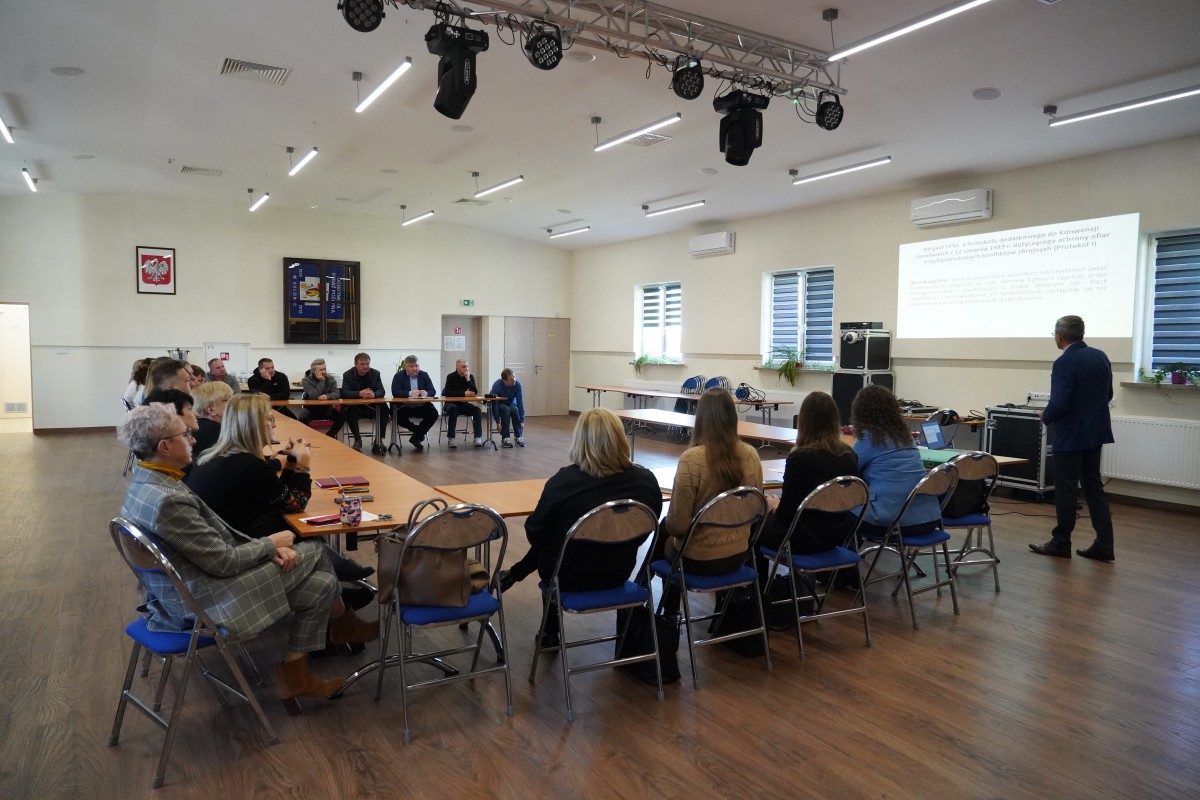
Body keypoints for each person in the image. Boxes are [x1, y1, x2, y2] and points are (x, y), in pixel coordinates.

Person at [117, 403, 376, 709]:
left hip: (183, 588)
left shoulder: (147, 484)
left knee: (320, 584)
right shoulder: (168, 500)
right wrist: (270, 545)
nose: (194, 439)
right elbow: (224, 562)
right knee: (316, 549)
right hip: (206, 600)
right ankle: (342, 626)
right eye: (185, 434)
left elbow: (214, 544)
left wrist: (265, 550)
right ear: (165, 446)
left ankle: (297, 675)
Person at [185, 394, 376, 584]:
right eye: (269, 419)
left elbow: (279, 497)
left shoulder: (219, 455)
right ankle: (337, 572)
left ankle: (338, 574)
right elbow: (296, 504)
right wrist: (302, 466)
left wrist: (291, 464)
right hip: (237, 545)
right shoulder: (250, 465)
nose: (274, 425)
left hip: (222, 537)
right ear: (254, 426)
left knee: (289, 522)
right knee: (302, 528)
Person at [499, 407, 662, 599]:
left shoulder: (564, 481)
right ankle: (516, 574)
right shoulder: (646, 481)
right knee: (562, 535)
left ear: (580, 440)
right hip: (618, 572)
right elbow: (648, 525)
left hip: (566, 576)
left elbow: (535, 534)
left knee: (554, 536)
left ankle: (544, 612)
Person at [1029, 315, 1116, 561]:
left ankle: (1061, 542)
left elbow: (1060, 402)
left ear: (1059, 337)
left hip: (1070, 435)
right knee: (1093, 486)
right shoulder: (1100, 356)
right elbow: (1108, 394)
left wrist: (1046, 415)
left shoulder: (1064, 362)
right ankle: (1105, 544)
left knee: (1066, 489)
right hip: (1095, 432)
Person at [658, 388, 764, 577]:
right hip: (739, 553)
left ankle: (655, 592)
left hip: (698, 559)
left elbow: (678, 525)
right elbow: (757, 511)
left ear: (700, 418)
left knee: (664, 532)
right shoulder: (751, 455)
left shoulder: (691, 459)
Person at [759, 391, 860, 555]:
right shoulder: (850, 455)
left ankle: (757, 572)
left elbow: (786, 516)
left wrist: (776, 506)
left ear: (803, 420)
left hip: (802, 538)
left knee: (755, 521)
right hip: (837, 536)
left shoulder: (800, 458)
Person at [851, 384, 941, 538]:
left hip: (892, 521)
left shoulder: (869, 439)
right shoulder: (907, 437)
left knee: (838, 510)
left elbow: (847, 469)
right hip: (928, 518)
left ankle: (848, 551)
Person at [390, 355, 438, 451]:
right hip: (404, 406)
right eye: (411, 366)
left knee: (433, 413)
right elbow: (395, 392)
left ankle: (416, 438)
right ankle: (417, 431)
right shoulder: (399, 376)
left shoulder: (424, 375)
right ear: (405, 367)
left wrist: (427, 393)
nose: (415, 368)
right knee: (395, 415)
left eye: (416, 366)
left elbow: (432, 390)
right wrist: (410, 393)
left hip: (421, 406)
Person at [341, 352, 387, 449]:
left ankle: (378, 440)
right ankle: (357, 439)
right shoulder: (347, 375)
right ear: (355, 364)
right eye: (362, 364)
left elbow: (381, 391)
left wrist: (374, 394)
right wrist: (359, 394)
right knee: (349, 411)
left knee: (385, 409)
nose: (366, 366)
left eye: (367, 363)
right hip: (356, 407)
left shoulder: (375, 373)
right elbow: (344, 393)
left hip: (372, 407)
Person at [442, 359, 483, 447]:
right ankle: (451, 438)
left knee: (477, 410)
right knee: (453, 409)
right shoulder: (450, 376)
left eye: (467, 366)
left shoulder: (470, 376)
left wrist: (468, 379)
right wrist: (464, 393)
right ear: (457, 368)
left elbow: (474, 392)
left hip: (464, 404)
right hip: (450, 404)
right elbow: (448, 393)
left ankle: (478, 437)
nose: (466, 368)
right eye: (464, 367)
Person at [301, 358, 344, 439]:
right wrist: (322, 381)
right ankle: (308, 439)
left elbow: (337, 393)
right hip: (310, 408)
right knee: (302, 419)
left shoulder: (330, 379)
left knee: (341, 418)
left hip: (326, 408)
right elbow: (314, 396)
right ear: (313, 371)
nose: (324, 372)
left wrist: (327, 396)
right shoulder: (306, 380)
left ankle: (329, 437)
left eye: (325, 369)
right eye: (321, 370)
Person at [189, 380, 233, 458]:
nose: (233, 402)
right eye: (227, 400)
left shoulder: (199, 425)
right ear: (211, 409)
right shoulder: (214, 430)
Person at [489, 368, 526, 448]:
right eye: (511, 379)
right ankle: (505, 437)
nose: (514, 380)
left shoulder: (517, 385)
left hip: (511, 403)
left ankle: (518, 436)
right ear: (505, 381)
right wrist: (498, 422)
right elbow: (495, 405)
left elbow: (520, 402)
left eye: (514, 377)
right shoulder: (497, 385)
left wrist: (522, 420)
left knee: (515, 409)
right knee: (506, 410)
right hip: (500, 405)